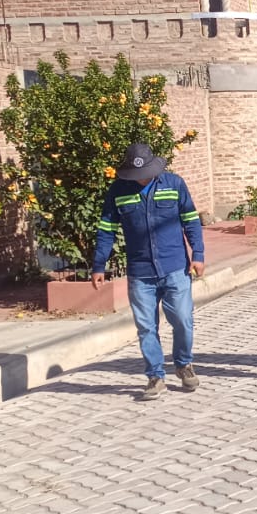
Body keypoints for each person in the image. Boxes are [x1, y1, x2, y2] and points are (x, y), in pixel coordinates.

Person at [91, 142, 205, 401]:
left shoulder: (174, 185)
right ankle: (155, 376)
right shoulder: (118, 190)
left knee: (183, 321)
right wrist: (99, 265)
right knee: (146, 327)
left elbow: (191, 221)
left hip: (175, 267)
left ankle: (184, 364)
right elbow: (106, 229)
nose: (141, 178)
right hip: (140, 272)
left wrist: (197, 255)